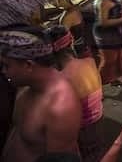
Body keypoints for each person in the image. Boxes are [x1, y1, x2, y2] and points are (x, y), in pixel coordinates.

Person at [0, 26, 81, 162]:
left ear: (28, 65)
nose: (3, 71)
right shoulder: (25, 86)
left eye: (6, 65)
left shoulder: (61, 107)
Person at [46, 25, 105, 162]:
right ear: (71, 42)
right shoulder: (89, 62)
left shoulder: (60, 78)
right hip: (99, 120)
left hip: (81, 131)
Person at [93, 0, 122, 85]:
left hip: (116, 32)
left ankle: (114, 78)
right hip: (106, 35)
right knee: (108, 61)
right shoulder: (103, 1)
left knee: (118, 57)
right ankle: (97, 84)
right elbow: (103, 22)